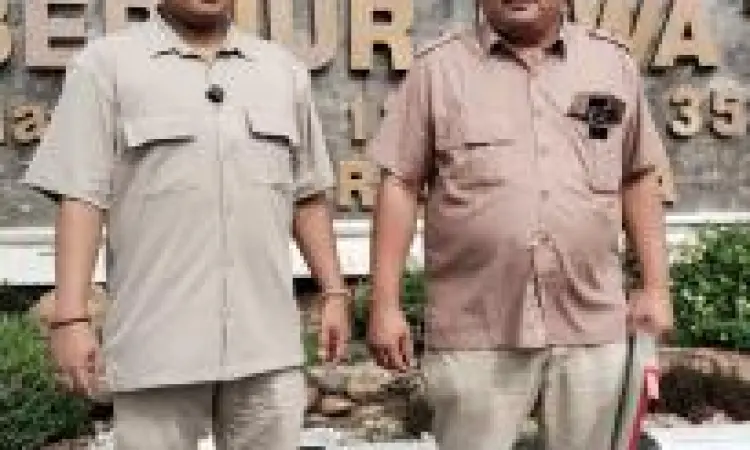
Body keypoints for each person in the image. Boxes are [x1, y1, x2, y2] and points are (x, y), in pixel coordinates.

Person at [22, 1, 351, 449]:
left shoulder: (282, 72)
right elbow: (81, 198)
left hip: (265, 345)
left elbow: (307, 196)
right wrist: (71, 318)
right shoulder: (105, 67)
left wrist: (333, 292)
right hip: (157, 347)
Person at [365, 0, 673, 449]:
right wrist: (385, 305)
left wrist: (656, 287)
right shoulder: (437, 70)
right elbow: (400, 184)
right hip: (476, 327)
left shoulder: (610, 64)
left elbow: (638, 176)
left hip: (591, 321)